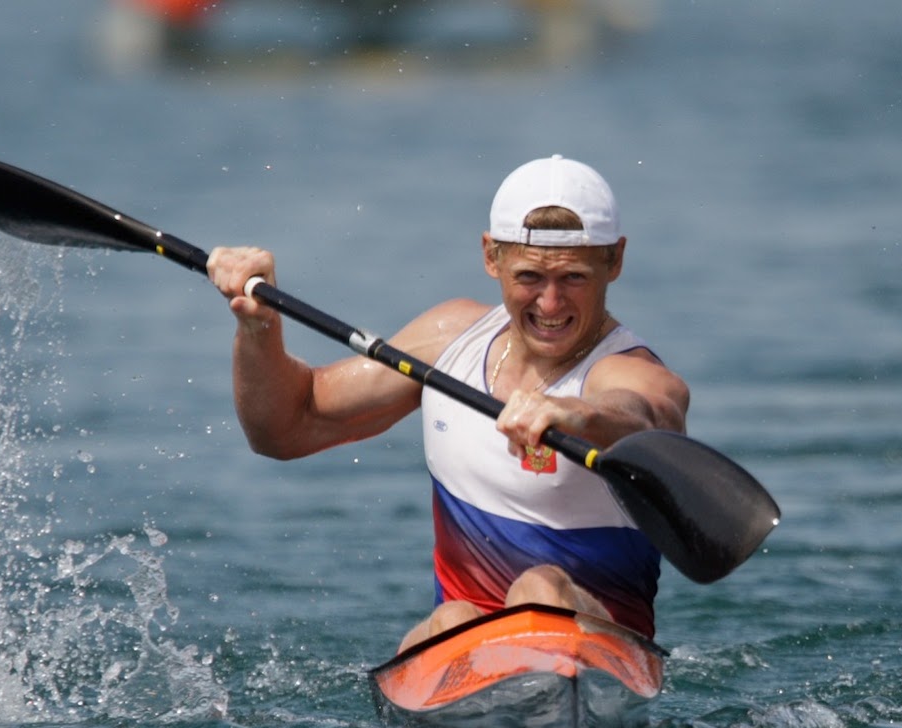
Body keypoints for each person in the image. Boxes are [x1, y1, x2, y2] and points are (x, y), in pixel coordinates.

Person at [206, 155, 689, 652]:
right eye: (529, 278)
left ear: (615, 260)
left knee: (540, 589)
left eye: (573, 278)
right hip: (463, 651)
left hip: (598, 649)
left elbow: (651, 416)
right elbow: (285, 427)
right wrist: (258, 326)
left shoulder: (628, 371)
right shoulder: (450, 340)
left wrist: (577, 414)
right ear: (490, 256)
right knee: (453, 618)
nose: (549, 303)